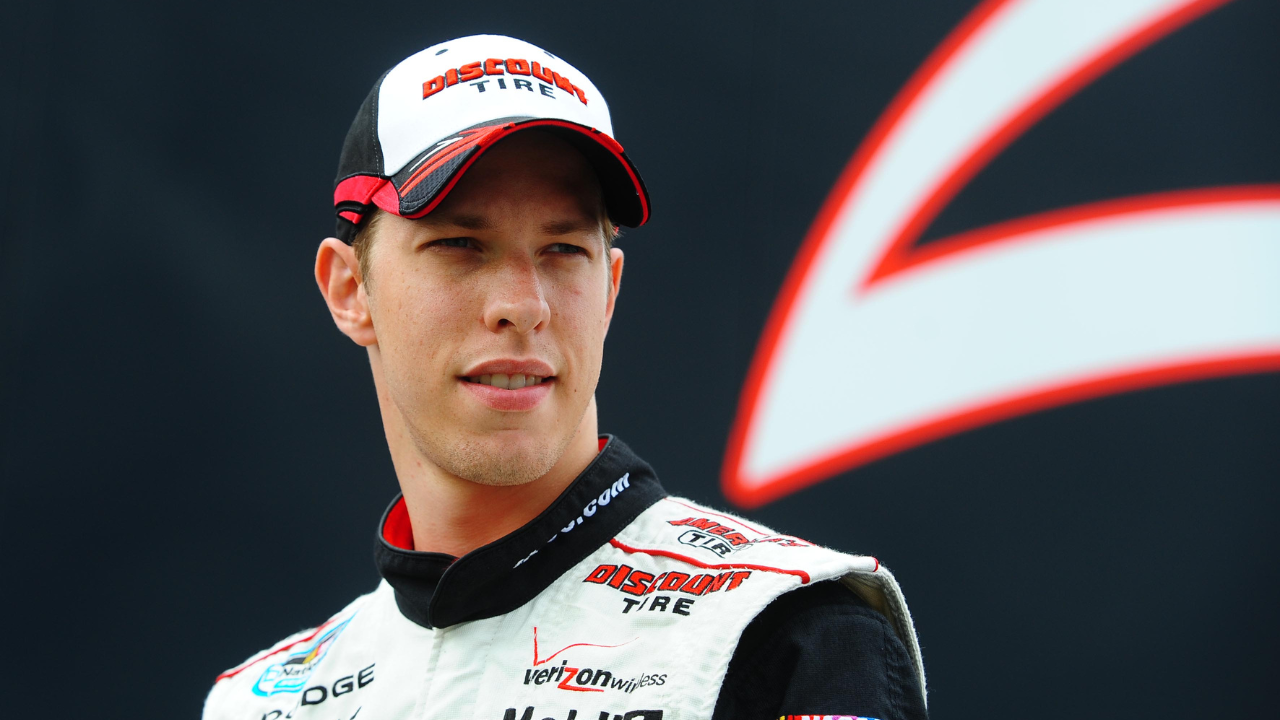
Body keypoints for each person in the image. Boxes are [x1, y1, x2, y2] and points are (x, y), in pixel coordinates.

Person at [203, 34, 928, 720]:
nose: (523, 305)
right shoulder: (265, 702)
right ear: (348, 290)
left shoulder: (780, 633)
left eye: (561, 250)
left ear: (610, 289)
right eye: (460, 243)